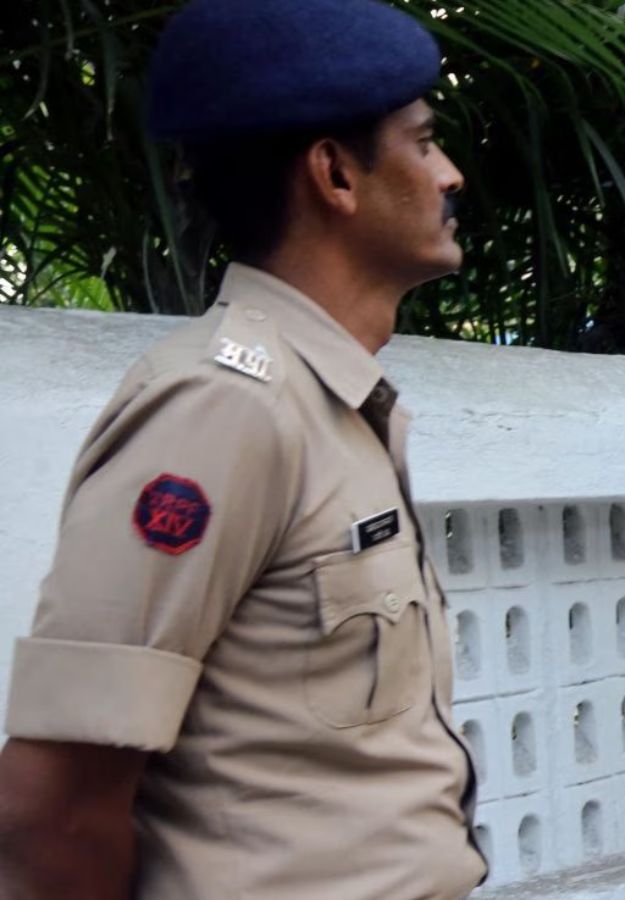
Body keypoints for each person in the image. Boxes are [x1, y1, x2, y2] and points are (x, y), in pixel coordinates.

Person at [0, 1, 482, 897]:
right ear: (335, 174)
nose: (449, 174)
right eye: (422, 143)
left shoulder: (326, 401)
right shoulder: (226, 409)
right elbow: (55, 809)